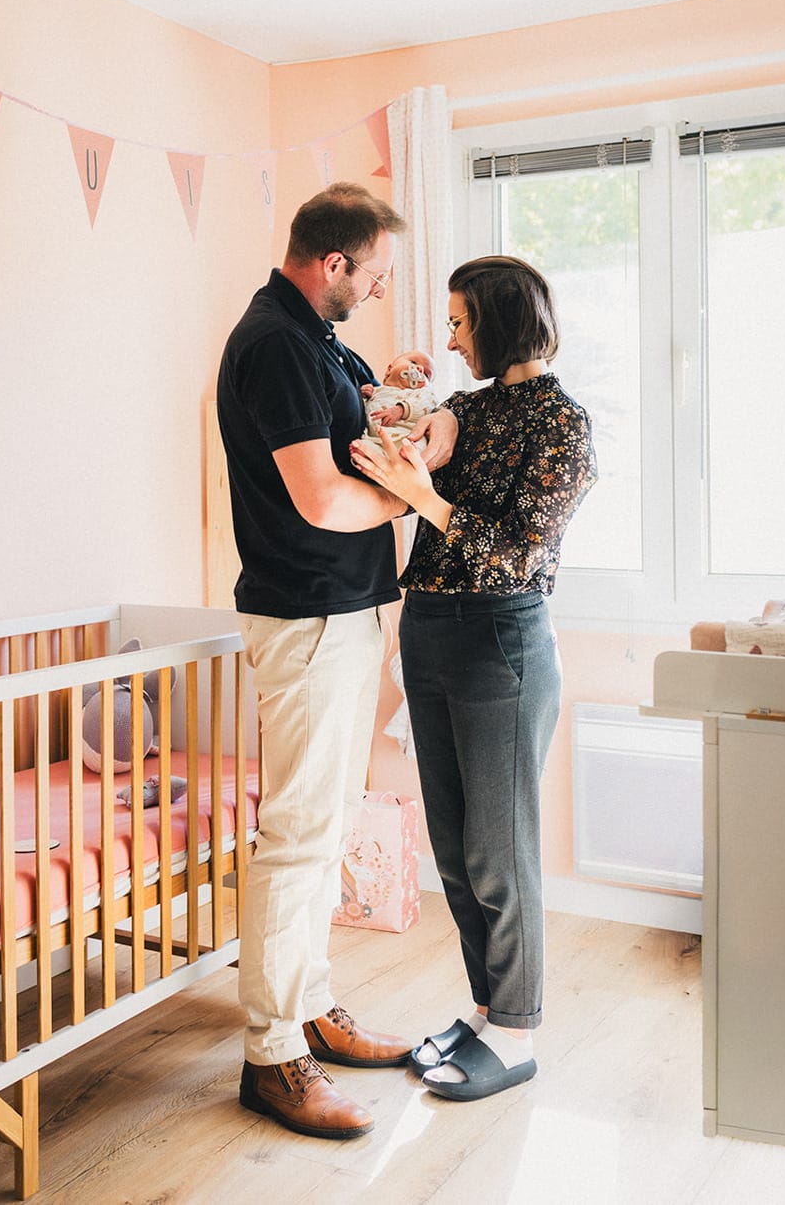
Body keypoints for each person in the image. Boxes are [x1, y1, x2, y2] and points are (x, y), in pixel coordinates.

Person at [350, 255, 597, 1103]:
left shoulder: (561, 424)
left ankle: (519, 1033)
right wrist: (400, 393)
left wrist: (426, 495)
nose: (450, 340)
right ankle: (489, 1009)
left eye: (459, 324)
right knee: (453, 848)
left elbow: (520, 554)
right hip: (430, 627)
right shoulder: (465, 408)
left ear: (496, 320)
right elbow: (401, 435)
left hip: (503, 641)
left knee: (502, 851)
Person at [216, 182, 414, 1141]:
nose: (373, 294)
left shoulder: (318, 338)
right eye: (371, 278)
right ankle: (271, 1056)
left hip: (343, 611)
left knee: (329, 828)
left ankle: (310, 1004)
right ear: (332, 264)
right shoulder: (276, 343)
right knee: (298, 835)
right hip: (307, 615)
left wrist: (392, 399)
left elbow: (355, 428)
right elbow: (324, 500)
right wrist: (410, 500)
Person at [360, 349, 437, 450]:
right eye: (413, 362)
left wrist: (402, 409)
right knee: (364, 446)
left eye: (426, 375)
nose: (419, 369)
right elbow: (362, 412)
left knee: (420, 445)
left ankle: (410, 457)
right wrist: (362, 395)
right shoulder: (376, 392)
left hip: (407, 438)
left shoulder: (421, 393)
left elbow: (428, 403)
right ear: (389, 369)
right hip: (377, 440)